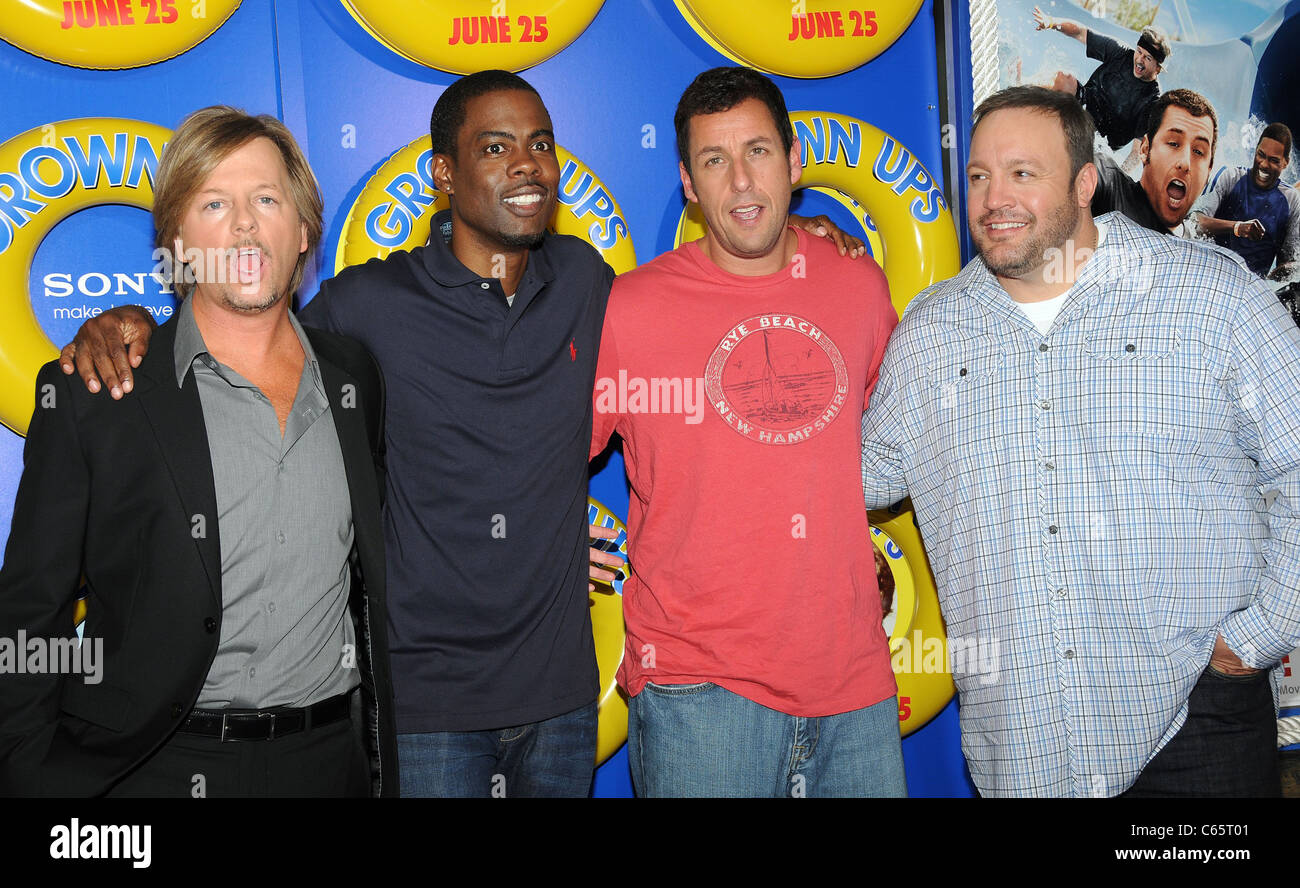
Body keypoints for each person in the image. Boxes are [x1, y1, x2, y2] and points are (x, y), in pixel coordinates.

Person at [58, 71, 861, 797]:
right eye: (496, 146)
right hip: (425, 702)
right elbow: (246, 331)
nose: (527, 165)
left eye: (540, 144)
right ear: (444, 175)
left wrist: (807, 231)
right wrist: (135, 324)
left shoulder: (586, 281)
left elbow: (710, 298)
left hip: (560, 699)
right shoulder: (367, 304)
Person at [861, 85, 1299, 797]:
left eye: (1022, 174)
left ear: (1086, 181)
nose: (993, 197)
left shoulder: (1210, 300)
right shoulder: (929, 337)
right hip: (1022, 747)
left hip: (1196, 724)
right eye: (979, 176)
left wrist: (1251, 642)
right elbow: (858, 477)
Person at [0, 107, 396, 797]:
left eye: (266, 199)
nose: (244, 223)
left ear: (303, 231)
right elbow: (33, 612)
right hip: (152, 769)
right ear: (178, 244)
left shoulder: (354, 375)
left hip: (329, 766)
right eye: (215, 203)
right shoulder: (99, 392)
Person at [591, 66, 905, 797]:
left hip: (853, 683)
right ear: (688, 184)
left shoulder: (859, 285)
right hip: (697, 692)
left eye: (758, 152)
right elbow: (543, 455)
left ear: (795, 165)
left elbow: (898, 446)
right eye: (714, 160)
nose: (740, 181)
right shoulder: (629, 309)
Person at [1033, 6, 1167, 161]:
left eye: (1147, 58)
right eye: (1139, 52)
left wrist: (1117, 181)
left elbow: (1136, 153)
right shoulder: (1121, 54)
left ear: (1157, 67)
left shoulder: (1153, 99)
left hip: (1100, 143)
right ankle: (1027, 100)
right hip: (1084, 106)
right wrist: (1051, 22)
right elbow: (1080, 32)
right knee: (1063, 79)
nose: (1139, 60)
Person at [1092, 88, 1216, 236]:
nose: (1185, 163)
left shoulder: (1195, 247)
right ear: (1145, 150)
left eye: (1198, 152)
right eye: (1173, 143)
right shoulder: (1109, 183)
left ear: (1208, 172)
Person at [1194, 123, 1299, 281]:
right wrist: (1237, 227)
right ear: (1255, 150)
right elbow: (1194, 223)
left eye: (1273, 160)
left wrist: (1285, 273)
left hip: (1251, 291)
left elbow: (1288, 262)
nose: (1264, 164)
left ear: (1285, 163)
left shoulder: (1292, 200)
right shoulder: (1230, 176)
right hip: (1209, 274)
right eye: (1261, 155)